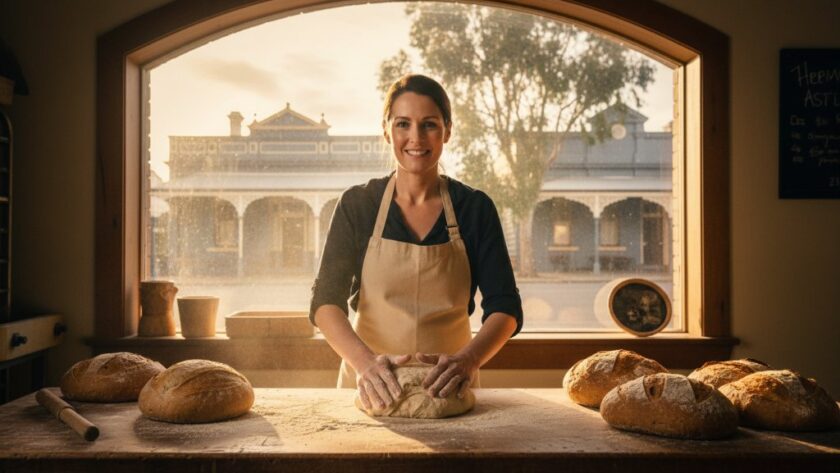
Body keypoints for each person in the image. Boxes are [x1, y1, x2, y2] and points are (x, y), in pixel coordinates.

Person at [309, 74, 522, 411]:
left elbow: (505, 308)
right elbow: (325, 303)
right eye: (403, 124)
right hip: (370, 390)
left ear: (448, 131)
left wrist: (467, 361)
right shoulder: (358, 205)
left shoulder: (475, 209)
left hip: (449, 389)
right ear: (386, 130)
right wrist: (365, 364)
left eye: (430, 125)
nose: (415, 138)